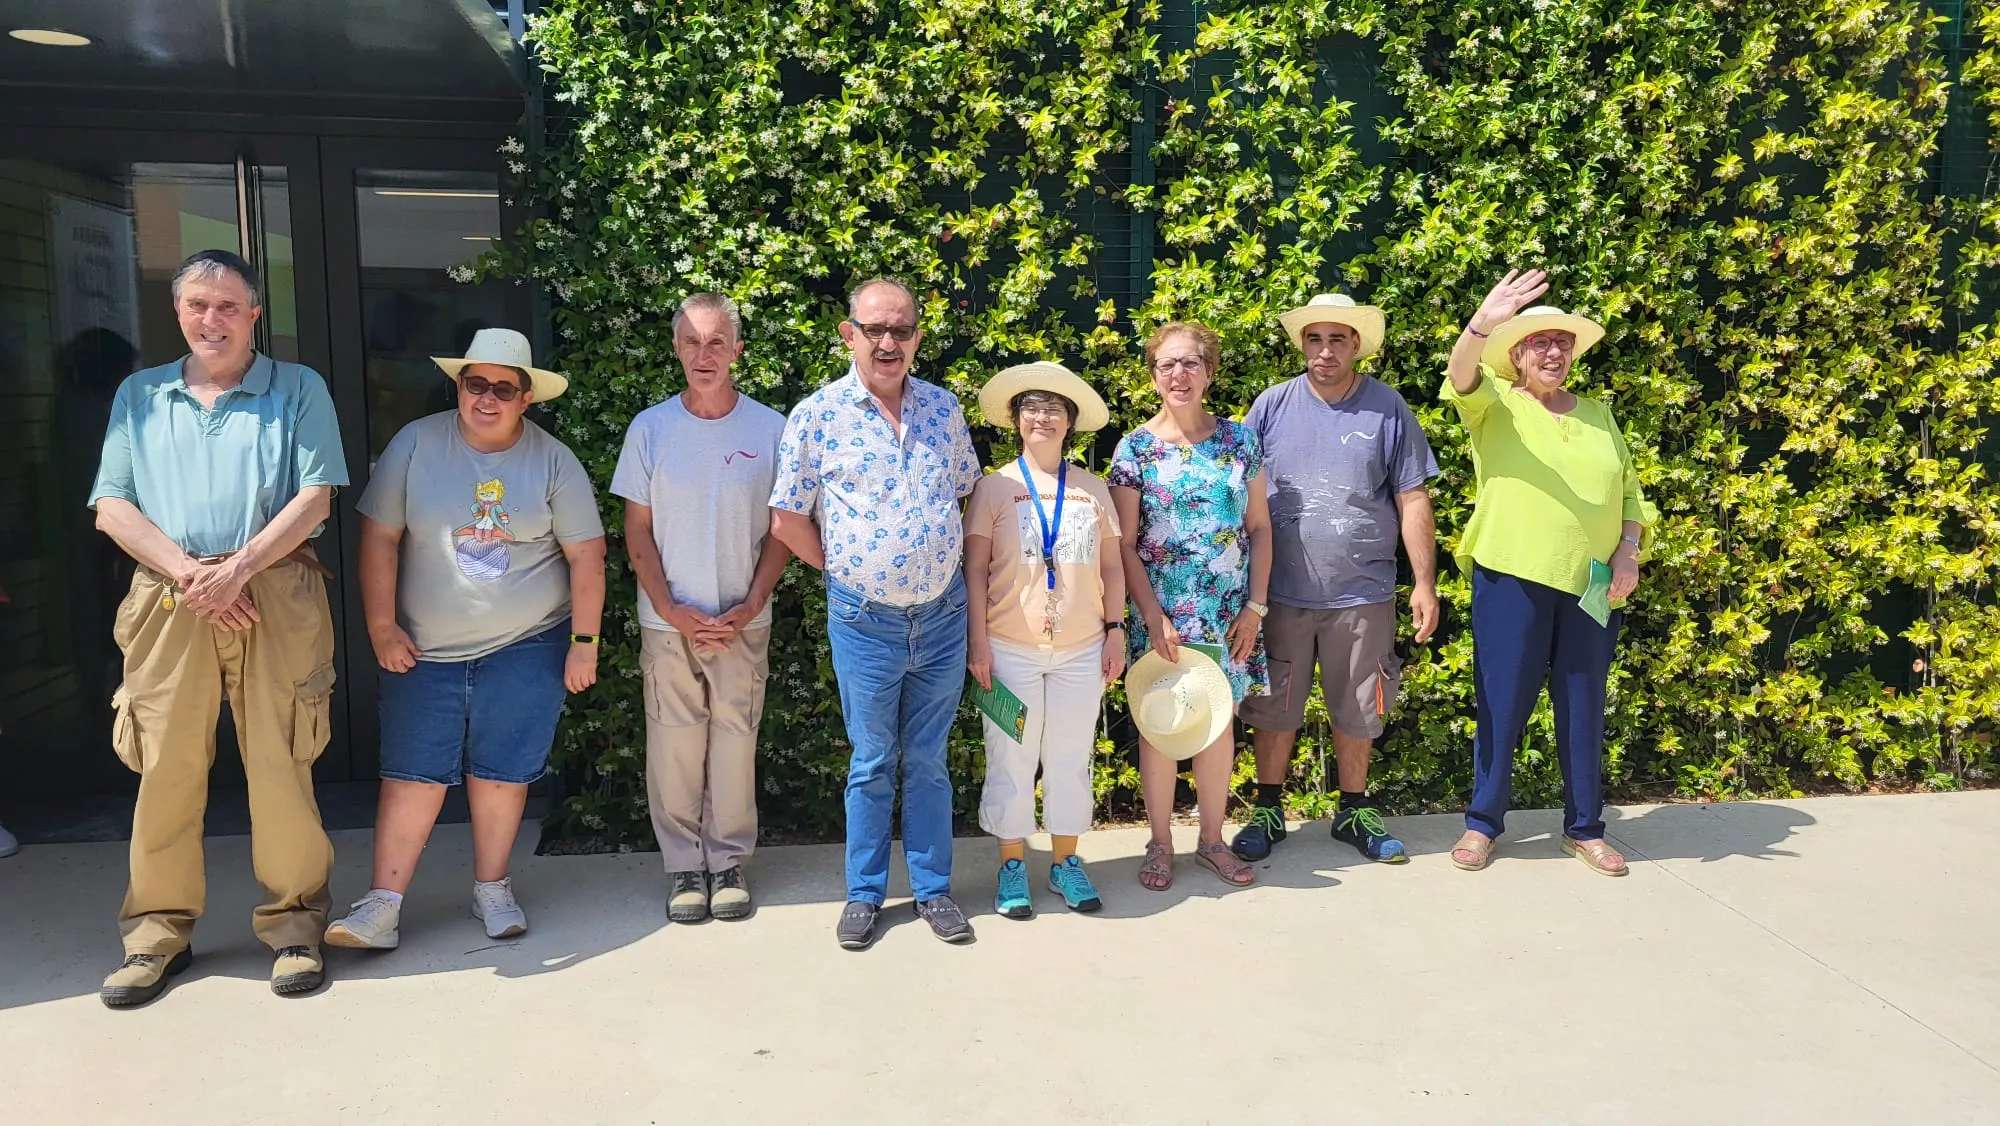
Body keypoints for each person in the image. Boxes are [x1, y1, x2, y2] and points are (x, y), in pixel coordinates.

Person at [89, 249, 346, 1006]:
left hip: (274, 593)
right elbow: (111, 506)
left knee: (279, 760)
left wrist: (235, 570)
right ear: (178, 312)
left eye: (229, 305)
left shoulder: (298, 389)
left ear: (255, 314)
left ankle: (296, 926)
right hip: (171, 602)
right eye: (199, 304)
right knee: (164, 766)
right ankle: (154, 936)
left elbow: (316, 497)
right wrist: (193, 575)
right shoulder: (140, 395)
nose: (213, 319)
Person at [323, 328, 607, 950]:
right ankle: (383, 905)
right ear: (458, 386)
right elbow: (378, 537)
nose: (487, 397)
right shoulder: (416, 444)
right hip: (424, 646)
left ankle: (492, 887)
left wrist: (584, 641)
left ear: (526, 398)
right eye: (475, 383)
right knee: (411, 773)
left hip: (527, 641)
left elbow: (588, 556)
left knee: (503, 772)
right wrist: (379, 624)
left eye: (503, 388)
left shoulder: (554, 460)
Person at [768, 277, 981, 950]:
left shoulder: (945, 410)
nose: (888, 342)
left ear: (917, 336)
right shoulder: (817, 415)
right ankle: (863, 894)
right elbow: (785, 520)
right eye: (874, 329)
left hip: (944, 616)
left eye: (901, 330)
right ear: (849, 333)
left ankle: (932, 890)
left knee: (927, 759)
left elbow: (964, 495)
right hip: (865, 621)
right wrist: (847, 569)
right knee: (871, 760)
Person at [1441, 269, 1653, 877]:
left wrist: (1628, 551)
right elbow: (1459, 376)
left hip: (1592, 582)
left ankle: (1584, 828)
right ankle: (1483, 824)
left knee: (1584, 703)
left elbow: (1631, 495)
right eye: (1539, 342)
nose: (1554, 351)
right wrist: (1483, 318)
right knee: (1501, 704)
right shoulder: (1495, 404)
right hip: (1511, 576)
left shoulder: (1599, 415)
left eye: (1563, 342)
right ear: (1516, 354)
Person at [1232, 294, 1440, 864]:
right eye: (1315, 339)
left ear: (1357, 346)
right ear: (1303, 344)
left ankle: (1354, 810)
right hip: (1277, 594)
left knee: (1360, 706)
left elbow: (1413, 496)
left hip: (1363, 592)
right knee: (1274, 706)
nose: (1326, 351)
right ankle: (1269, 808)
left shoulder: (1387, 408)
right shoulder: (1271, 406)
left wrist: (1425, 582)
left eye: (1338, 339)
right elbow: (1238, 494)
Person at [611, 293, 788, 924]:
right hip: (669, 623)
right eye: (692, 342)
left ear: (737, 350)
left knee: (737, 742)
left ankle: (730, 862)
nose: (704, 354)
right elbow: (637, 532)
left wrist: (751, 603)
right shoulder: (650, 429)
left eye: (717, 342)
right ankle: (685, 866)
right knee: (675, 744)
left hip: (744, 621)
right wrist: (670, 607)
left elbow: (782, 532)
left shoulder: (771, 429)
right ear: (677, 349)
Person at [1109, 321, 1273, 891]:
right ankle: (1159, 843)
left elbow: (1259, 527)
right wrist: (1152, 616)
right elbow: (1124, 544)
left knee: (1216, 725)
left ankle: (1210, 841)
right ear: (1153, 375)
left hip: (1229, 612)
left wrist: (1256, 606)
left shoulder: (1240, 442)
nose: (1179, 375)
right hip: (1163, 615)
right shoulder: (1134, 448)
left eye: (1190, 363)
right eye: (1167, 365)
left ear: (1210, 371)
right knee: (1161, 725)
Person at [964, 361, 1125, 919]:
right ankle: (1012, 865)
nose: (1042, 415)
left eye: (1054, 407)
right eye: (1031, 406)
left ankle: (1065, 863)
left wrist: (1116, 631)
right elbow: (975, 571)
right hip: (1007, 649)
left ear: (1071, 421)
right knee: (1008, 756)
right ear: (1015, 419)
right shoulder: (993, 488)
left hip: (1082, 651)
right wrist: (976, 643)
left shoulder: (1093, 489)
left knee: (1070, 758)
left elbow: (1113, 567)